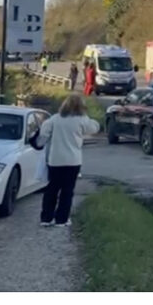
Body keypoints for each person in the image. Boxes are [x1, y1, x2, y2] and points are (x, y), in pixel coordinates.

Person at [35, 94, 100, 227]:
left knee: (52, 189)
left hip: (55, 160)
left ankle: (46, 218)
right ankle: (62, 219)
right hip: (73, 160)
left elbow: (43, 135)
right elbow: (94, 128)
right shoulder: (82, 119)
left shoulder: (55, 119)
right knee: (67, 191)